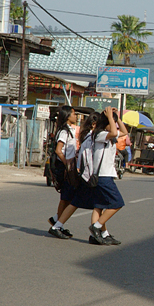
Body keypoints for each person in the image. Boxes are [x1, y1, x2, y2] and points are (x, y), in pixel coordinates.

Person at [50, 107, 129, 245]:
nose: (114, 126)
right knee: (114, 203)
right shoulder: (99, 135)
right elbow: (114, 132)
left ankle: (99, 234)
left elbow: (124, 132)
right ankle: (95, 228)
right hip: (96, 175)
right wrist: (111, 117)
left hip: (93, 175)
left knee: (95, 204)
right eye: (112, 123)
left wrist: (116, 117)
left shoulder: (104, 134)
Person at [47, 105, 79, 237]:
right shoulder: (64, 131)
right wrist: (67, 163)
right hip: (64, 168)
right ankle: (57, 225)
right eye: (73, 114)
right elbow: (58, 150)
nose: (76, 116)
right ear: (67, 116)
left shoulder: (70, 130)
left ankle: (57, 220)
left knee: (68, 197)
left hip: (69, 166)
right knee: (66, 198)